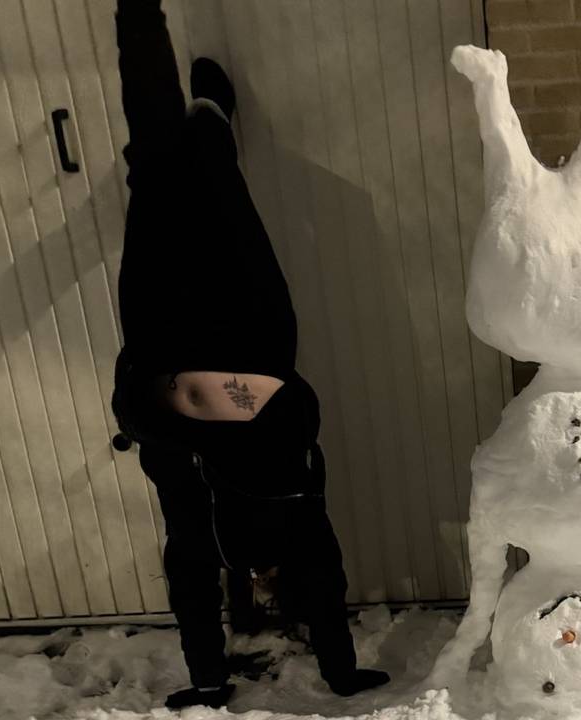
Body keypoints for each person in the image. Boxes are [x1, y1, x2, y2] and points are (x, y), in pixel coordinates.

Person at [109, 0, 388, 708]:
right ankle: (207, 115)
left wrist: (207, 679)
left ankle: (146, 28)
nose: (261, 584)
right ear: (276, 581)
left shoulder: (200, 515)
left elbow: (190, 574)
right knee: (200, 167)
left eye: (258, 590)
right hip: (247, 325)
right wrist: (340, 669)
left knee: (154, 157)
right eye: (271, 587)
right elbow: (296, 408)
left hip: (165, 334)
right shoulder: (292, 502)